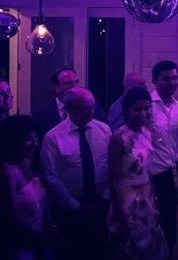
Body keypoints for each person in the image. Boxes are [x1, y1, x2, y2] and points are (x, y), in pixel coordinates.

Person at [40, 87, 111, 260]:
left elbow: (112, 167)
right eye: (83, 108)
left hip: (100, 204)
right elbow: (51, 177)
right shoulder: (53, 137)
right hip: (69, 210)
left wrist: (105, 199)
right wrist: (76, 207)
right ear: (68, 109)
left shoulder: (104, 131)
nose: (90, 112)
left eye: (92, 106)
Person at [108, 87, 168, 259]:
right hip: (126, 201)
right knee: (131, 248)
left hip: (146, 198)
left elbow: (148, 171)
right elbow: (113, 179)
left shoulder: (147, 133)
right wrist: (120, 214)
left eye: (146, 108)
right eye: (137, 109)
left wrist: (154, 201)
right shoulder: (119, 138)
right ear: (127, 110)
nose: (143, 113)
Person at [0, 115, 53, 259]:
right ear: (13, 141)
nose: (36, 143)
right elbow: (8, 220)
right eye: (28, 139)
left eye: (36, 137)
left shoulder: (26, 164)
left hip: (37, 242)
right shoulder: (6, 173)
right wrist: (40, 244)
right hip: (19, 248)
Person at [149, 60, 178, 255]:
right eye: (166, 79)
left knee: (170, 224)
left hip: (168, 174)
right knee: (151, 224)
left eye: (174, 78)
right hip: (149, 175)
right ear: (154, 80)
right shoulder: (147, 106)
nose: (172, 82)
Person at [33, 67, 107, 136]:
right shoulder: (42, 113)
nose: (75, 87)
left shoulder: (91, 106)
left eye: (76, 82)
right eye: (68, 83)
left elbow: (104, 131)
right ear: (56, 87)